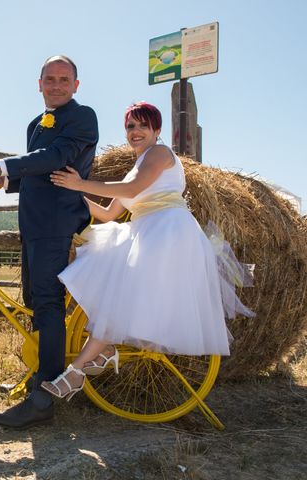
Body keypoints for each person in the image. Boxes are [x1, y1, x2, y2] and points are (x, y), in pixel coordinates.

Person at [40, 102, 254, 400]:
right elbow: (109, 213)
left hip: (167, 232)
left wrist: (80, 183)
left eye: (143, 125)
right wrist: (71, 194)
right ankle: (99, 356)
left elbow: (131, 191)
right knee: (110, 295)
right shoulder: (133, 168)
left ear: (157, 130)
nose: (135, 132)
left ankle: (76, 372)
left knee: (118, 299)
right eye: (130, 126)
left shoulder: (160, 154)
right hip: (145, 231)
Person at [0, 55, 99, 428]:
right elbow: (39, 172)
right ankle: (41, 376)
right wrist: (5, 182)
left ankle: (44, 398)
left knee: (47, 302)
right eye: (50, 78)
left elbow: (57, 156)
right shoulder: (35, 123)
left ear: (76, 85)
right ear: (39, 83)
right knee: (34, 300)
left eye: (64, 79)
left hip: (57, 221)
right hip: (32, 223)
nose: (56, 85)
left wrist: (1, 166)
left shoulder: (83, 116)